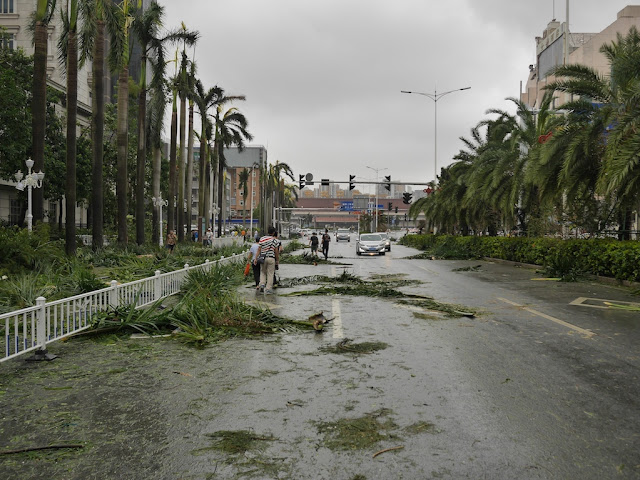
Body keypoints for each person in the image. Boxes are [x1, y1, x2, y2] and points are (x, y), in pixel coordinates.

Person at [254, 226, 280, 294]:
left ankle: (262, 284)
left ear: (267, 231)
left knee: (263, 272)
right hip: (271, 258)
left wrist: (256, 258)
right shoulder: (275, 240)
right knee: (270, 274)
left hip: (263, 258)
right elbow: (276, 251)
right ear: (273, 232)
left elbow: (259, 249)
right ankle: (268, 289)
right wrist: (277, 260)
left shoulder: (262, 239)